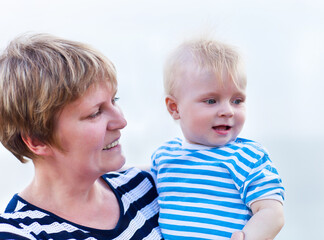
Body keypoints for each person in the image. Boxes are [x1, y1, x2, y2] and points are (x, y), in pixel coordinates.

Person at [0, 33, 163, 240]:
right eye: (95, 113)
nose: (121, 121)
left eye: (115, 100)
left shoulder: (147, 187)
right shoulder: (19, 233)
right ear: (38, 141)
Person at [151, 37, 285, 240]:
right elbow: (143, 180)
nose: (227, 111)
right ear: (175, 108)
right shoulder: (164, 157)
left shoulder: (247, 157)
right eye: (211, 100)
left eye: (237, 100)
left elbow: (272, 212)